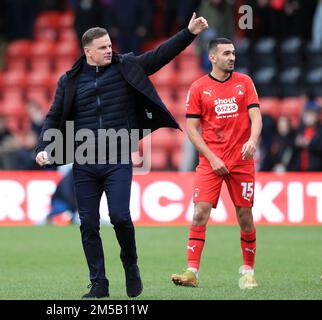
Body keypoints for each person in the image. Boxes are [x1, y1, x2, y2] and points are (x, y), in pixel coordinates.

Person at [36, 14, 208, 298]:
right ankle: (99, 283)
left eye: (109, 45)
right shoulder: (69, 81)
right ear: (88, 51)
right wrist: (43, 148)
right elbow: (53, 117)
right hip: (84, 161)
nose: (109, 50)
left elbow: (158, 56)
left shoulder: (126, 65)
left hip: (117, 157)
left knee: (119, 217)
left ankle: (130, 265)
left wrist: (188, 33)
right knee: (88, 223)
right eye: (102, 47)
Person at [170, 38, 262, 289]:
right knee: (200, 212)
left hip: (241, 161)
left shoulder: (245, 83)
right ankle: (192, 272)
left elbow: (256, 116)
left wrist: (252, 141)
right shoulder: (199, 87)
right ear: (212, 57)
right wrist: (212, 157)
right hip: (211, 161)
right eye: (226, 54)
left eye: (233, 53)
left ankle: (248, 271)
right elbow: (191, 129)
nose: (232, 57)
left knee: (245, 217)